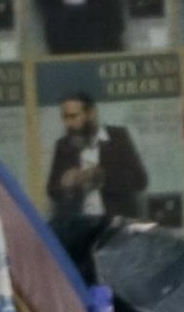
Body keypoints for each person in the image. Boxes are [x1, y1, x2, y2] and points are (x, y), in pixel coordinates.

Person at [46, 92, 150, 222]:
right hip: (80, 226)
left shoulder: (117, 138)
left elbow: (140, 180)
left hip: (115, 224)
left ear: (91, 114)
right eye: (65, 118)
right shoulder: (63, 146)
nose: (68, 124)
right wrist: (67, 183)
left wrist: (98, 176)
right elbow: (52, 190)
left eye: (73, 117)